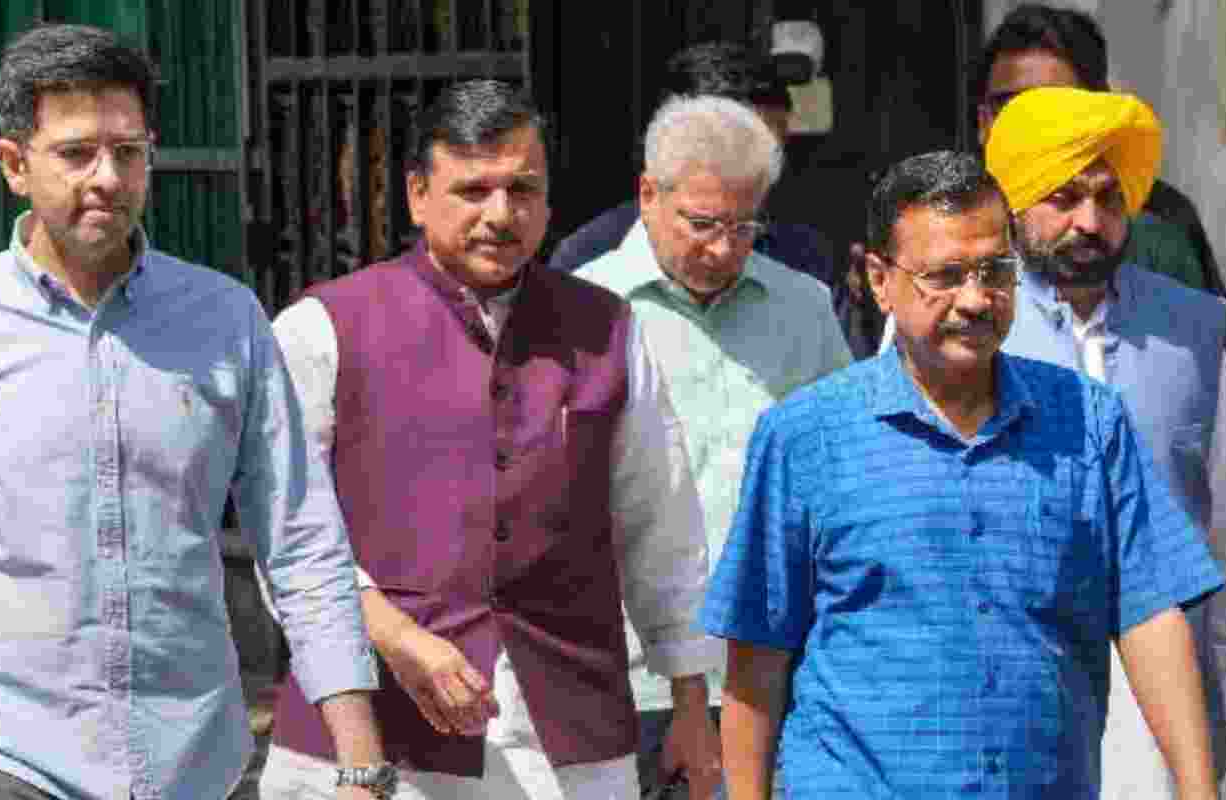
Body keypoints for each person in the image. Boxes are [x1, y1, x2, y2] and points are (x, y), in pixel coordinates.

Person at [0, 24, 387, 800]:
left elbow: (300, 538)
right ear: (14, 164)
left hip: (190, 760)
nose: (107, 177)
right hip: (4, 752)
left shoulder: (225, 322)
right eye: (76, 153)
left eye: (128, 152)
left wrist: (360, 758)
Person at [703, 150, 1224, 799]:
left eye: (995, 271)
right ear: (879, 279)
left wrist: (1199, 789)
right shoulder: (804, 437)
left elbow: (1150, 615)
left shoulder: (1089, 424)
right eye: (944, 276)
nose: (976, 300)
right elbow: (757, 653)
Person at [264, 79, 719, 800]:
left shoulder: (607, 329)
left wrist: (692, 703)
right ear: (418, 195)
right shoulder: (323, 328)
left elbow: (662, 528)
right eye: (473, 190)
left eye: (522, 190)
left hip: (570, 737)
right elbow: (285, 540)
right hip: (373, 746)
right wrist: (398, 638)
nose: (500, 215)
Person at [985, 86, 1226, 798]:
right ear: (1013, 201)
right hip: (1006, 712)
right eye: (1063, 197)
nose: (1090, 221)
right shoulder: (963, 325)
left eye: (1109, 199)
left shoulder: (1192, 327)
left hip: (1166, 716)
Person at [576, 94, 849, 798]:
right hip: (625, 676)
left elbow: (844, 476)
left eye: (744, 225)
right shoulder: (579, 308)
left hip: (772, 672)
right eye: (702, 225)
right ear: (648, 195)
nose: (724, 249)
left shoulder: (805, 308)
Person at [971, 2, 1226, 578]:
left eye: (1054, 104)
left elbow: (1216, 367)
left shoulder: (1158, 225)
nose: (1088, 221)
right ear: (981, 119)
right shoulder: (944, 238)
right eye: (1008, 105)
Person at [545, 42, 862, 355]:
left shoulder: (808, 266)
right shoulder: (586, 267)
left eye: (774, 151)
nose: (766, 169)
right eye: (701, 224)